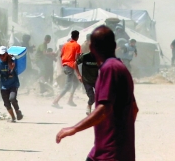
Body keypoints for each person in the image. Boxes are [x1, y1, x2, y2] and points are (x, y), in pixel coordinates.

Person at [56, 26, 137, 161]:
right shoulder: (120, 67)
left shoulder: (109, 69)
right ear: (115, 46)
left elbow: (104, 109)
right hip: (112, 150)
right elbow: (134, 109)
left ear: (92, 47)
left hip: (109, 153)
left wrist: (74, 129)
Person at [52, 30, 82, 109]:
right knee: (68, 86)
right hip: (70, 66)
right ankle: (55, 101)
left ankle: (70, 100)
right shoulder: (77, 45)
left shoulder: (65, 45)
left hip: (65, 66)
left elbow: (61, 55)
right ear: (77, 37)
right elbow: (77, 59)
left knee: (75, 83)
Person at [0, 46, 23, 122]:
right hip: (3, 85)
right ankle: (13, 117)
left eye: (3, 55)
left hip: (13, 84)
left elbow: (12, 67)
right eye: (0, 55)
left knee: (12, 98)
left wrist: (9, 59)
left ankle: (17, 111)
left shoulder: (13, 61)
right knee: (6, 103)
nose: (1, 57)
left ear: (6, 54)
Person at [78, 45, 101, 116]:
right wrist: (79, 75)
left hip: (96, 80)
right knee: (91, 96)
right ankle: (89, 106)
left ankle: (98, 110)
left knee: (100, 95)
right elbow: (75, 63)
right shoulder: (85, 56)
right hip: (86, 80)